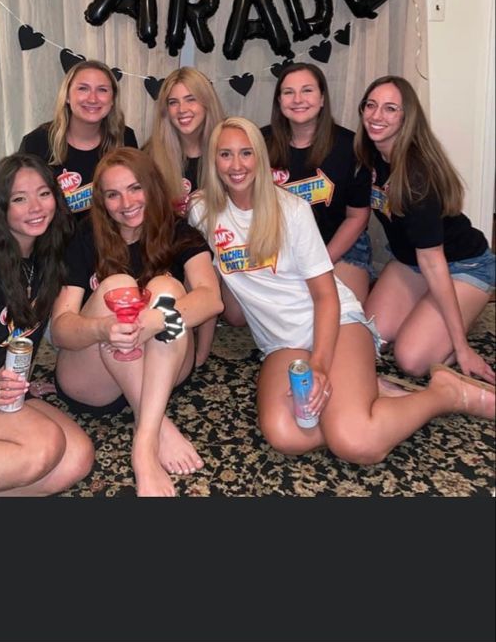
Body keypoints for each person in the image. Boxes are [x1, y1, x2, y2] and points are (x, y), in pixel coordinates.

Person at [190, 117, 495, 464]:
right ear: (213, 161)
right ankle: (358, 400)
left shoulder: (291, 210)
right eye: (225, 155)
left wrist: (320, 363)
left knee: (356, 443)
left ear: (260, 158)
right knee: (286, 435)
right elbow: (215, 288)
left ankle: (445, 394)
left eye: (246, 153)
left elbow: (325, 296)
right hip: (281, 343)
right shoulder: (202, 213)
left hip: (334, 324)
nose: (236, 165)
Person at [50, 147, 223, 497]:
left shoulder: (180, 232)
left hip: (163, 366)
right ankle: (157, 424)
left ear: (152, 187)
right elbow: (60, 328)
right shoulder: (85, 237)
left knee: (166, 287)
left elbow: (210, 297)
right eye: (112, 194)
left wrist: (157, 319)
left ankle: (143, 447)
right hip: (94, 375)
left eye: (134, 188)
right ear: (101, 201)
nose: (125, 202)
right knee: (118, 286)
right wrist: (102, 328)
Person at [0, 155, 94, 496]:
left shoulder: (45, 259)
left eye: (43, 193)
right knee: (44, 446)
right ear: (1, 208)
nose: (35, 207)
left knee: (76, 457)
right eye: (19, 199)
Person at [355, 75, 496, 382]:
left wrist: (461, 348)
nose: (377, 116)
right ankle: (433, 317)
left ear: (407, 118)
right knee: (368, 336)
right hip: (410, 263)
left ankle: (456, 325)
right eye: (371, 105)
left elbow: (433, 261)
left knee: (412, 360)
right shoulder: (371, 157)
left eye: (390, 109)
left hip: (461, 265)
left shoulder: (416, 175)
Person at [262, 62, 372, 303]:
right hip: (282, 249)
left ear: (322, 98)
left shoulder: (350, 146)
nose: (298, 99)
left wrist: (321, 262)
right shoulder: (260, 143)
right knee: (243, 314)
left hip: (340, 247)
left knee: (341, 310)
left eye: (307, 90)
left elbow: (358, 217)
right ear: (279, 102)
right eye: (288, 92)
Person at [146, 67, 225, 365]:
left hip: (222, 251)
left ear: (206, 103)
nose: (182, 110)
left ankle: (200, 353)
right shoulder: (151, 155)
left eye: (191, 99)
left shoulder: (226, 149)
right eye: (173, 102)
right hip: (172, 253)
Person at [19, 60, 138, 218]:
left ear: (112, 99)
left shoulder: (125, 138)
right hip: (54, 241)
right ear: (67, 96)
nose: (93, 99)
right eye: (83, 88)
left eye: (102, 90)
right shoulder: (36, 143)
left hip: (109, 239)